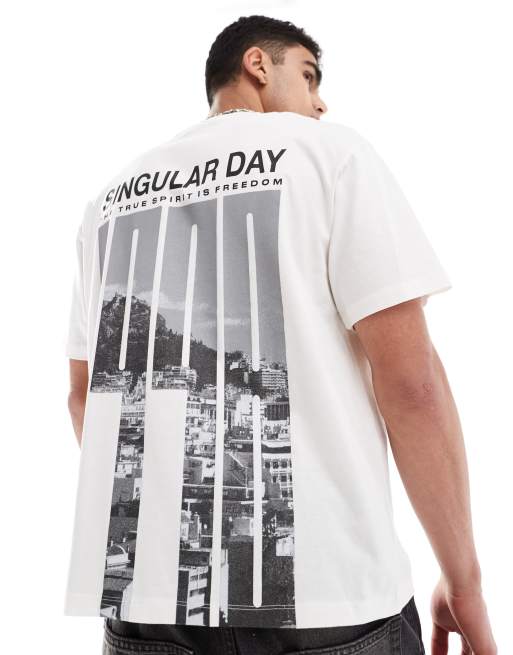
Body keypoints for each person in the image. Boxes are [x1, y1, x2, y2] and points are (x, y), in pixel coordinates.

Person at [64, 14, 497, 655]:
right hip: (330, 601)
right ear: (258, 65)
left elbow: (85, 397)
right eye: (309, 75)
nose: (321, 103)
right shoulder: (330, 156)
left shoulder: (109, 201)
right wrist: (464, 582)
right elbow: (413, 385)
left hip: (149, 610)